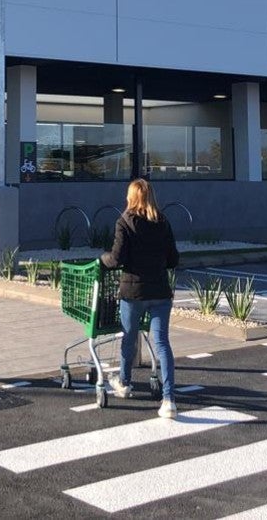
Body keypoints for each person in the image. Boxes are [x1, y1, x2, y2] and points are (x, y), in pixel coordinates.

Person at [100, 178, 180, 418]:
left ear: (131, 197)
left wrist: (100, 260)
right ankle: (169, 400)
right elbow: (173, 259)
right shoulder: (163, 222)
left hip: (133, 292)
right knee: (162, 343)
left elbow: (116, 259)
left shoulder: (124, 222)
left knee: (129, 338)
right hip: (160, 292)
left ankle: (124, 383)